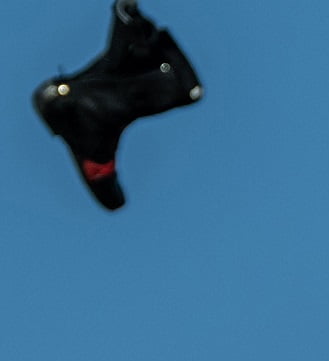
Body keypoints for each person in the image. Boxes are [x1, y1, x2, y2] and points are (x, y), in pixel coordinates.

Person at [33, 0, 202, 210]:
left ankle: (130, 27)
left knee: (118, 77)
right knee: (122, 75)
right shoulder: (94, 145)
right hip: (82, 102)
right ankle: (131, 27)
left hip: (79, 104)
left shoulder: (91, 145)